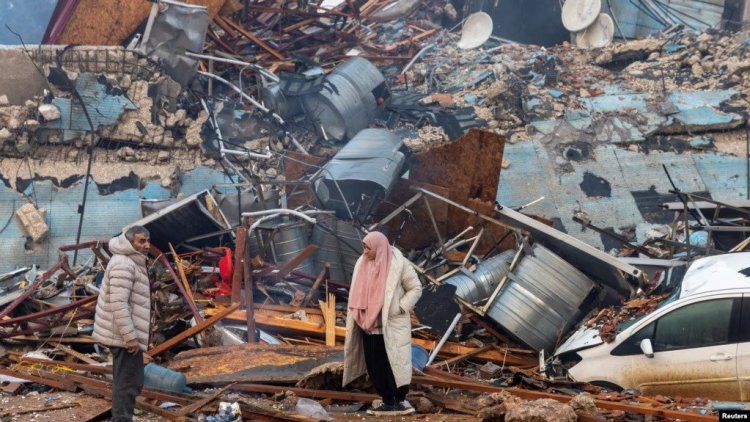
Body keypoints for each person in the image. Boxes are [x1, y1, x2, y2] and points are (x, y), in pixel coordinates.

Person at [342, 231, 423, 416]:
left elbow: (416, 288)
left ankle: (398, 400)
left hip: (390, 326)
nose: (364, 251)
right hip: (367, 325)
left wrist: (400, 307)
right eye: (364, 247)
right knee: (375, 365)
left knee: (393, 364)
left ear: (378, 247)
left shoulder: (399, 264)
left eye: (367, 247)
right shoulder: (362, 263)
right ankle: (387, 400)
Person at [92, 226, 151, 422]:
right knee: (127, 384)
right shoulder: (123, 264)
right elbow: (118, 304)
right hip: (122, 337)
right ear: (129, 242)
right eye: (141, 241)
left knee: (130, 382)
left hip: (123, 335)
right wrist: (130, 338)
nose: (146, 245)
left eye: (147, 241)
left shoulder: (131, 262)